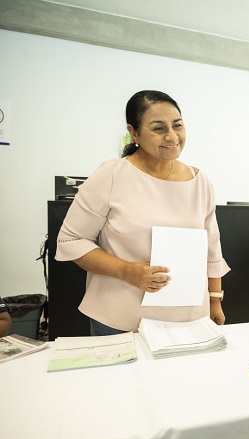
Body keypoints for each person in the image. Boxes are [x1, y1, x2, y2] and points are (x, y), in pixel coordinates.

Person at [56, 90, 230, 336]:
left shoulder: (199, 181)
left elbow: (212, 251)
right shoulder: (112, 175)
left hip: (189, 318)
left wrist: (215, 300)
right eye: (158, 128)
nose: (172, 136)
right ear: (134, 133)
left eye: (177, 125)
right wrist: (127, 271)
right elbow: (71, 241)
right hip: (121, 320)